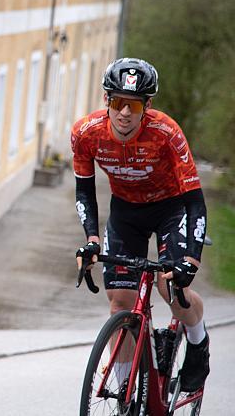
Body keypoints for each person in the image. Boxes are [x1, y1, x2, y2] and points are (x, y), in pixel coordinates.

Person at [72, 57, 210, 393]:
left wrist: (191, 260)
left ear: (147, 106)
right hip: (125, 213)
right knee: (120, 301)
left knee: (171, 289)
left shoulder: (167, 133)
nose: (125, 113)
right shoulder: (86, 133)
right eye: (118, 103)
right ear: (107, 101)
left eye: (133, 105)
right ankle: (123, 393)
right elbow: (84, 192)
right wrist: (91, 239)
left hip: (170, 209)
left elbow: (195, 203)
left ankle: (198, 343)